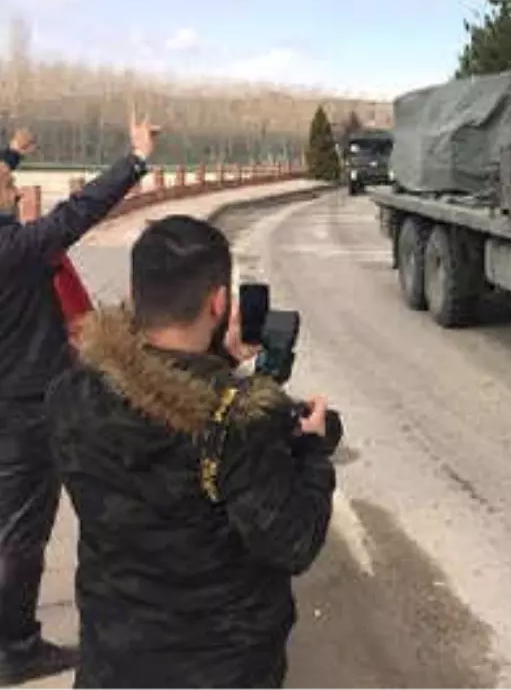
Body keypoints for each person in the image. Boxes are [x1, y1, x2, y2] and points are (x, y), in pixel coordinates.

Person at [45, 214, 337, 690]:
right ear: (219, 302)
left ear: (136, 297)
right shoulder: (239, 422)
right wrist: (311, 449)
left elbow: (152, 400)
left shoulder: (69, 394)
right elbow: (294, 542)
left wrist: (214, 361)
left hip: (113, 660)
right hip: (222, 667)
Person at [0, 117, 156, 684]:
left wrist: (12, 155)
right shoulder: (15, 249)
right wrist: (136, 161)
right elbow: (82, 209)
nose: (15, 191)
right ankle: (15, 647)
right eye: (6, 186)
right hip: (23, 408)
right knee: (21, 532)